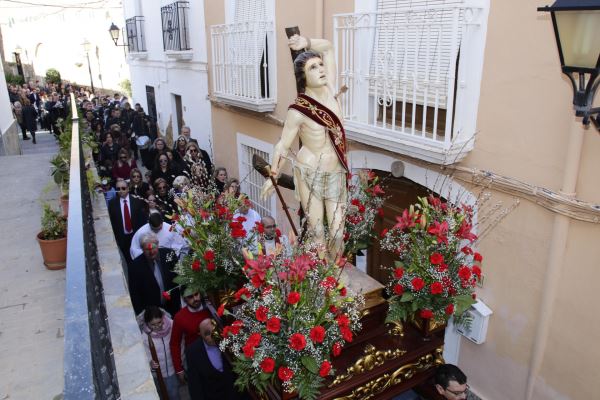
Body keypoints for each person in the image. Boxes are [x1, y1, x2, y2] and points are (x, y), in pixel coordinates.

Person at [261, 35, 348, 260]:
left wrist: (306, 43)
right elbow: (283, 144)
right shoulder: (298, 110)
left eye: (320, 65)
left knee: (338, 231)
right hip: (309, 171)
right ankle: (325, 277)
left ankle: (334, 270)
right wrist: (273, 174)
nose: (321, 69)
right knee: (317, 231)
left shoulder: (331, 91)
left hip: (335, 170)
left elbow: (328, 47)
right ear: (303, 77)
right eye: (313, 67)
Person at [185, 317, 242, 400]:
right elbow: (195, 384)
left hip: (236, 394)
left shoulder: (228, 339)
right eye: (207, 333)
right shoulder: (192, 352)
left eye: (214, 331)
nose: (213, 336)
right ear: (200, 334)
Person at [128, 233, 181, 316]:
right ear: (142, 249)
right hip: (152, 314)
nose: (151, 252)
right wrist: (141, 315)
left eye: (153, 247)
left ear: (157, 244)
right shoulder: (135, 266)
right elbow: (135, 295)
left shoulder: (169, 254)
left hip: (173, 307)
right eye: (147, 249)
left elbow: (179, 275)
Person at [170, 291, 211, 385]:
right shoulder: (179, 317)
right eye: (190, 297)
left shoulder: (210, 306)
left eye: (196, 294)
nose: (195, 299)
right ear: (184, 299)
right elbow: (174, 344)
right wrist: (179, 369)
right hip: (196, 359)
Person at [139, 306, 180, 400]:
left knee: (174, 395)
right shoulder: (145, 337)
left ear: (163, 318)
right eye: (153, 325)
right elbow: (145, 355)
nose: (157, 326)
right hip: (158, 374)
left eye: (159, 322)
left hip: (172, 370)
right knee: (161, 395)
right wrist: (150, 362)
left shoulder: (172, 326)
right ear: (147, 323)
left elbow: (179, 344)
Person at [108, 178, 148, 264]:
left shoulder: (137, 201)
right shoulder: (112, 204)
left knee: (141, 259)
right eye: (118, 189)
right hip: (122, 238)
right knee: (128, 261)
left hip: (136, 235)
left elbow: (142, 219)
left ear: (128, 188)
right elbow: (113, 222)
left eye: (123, 188)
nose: (121, 190)